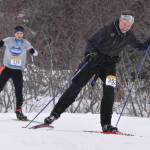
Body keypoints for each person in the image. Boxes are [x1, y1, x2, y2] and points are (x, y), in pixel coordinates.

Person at [44, 10, 150, 132]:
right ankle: (54, 114)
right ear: (120, 20)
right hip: (93, 61)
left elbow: (141, 47)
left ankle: (106, 124)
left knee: (109, 93)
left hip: (109, 65)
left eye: (129, 25)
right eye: (124, 24)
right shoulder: (107, 29)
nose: (126, 27)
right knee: (75, 87)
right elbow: (91, 42)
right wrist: (89, 53)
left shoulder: (129, 35)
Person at [0, 26, 38, 120]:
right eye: (17, 33)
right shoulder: (9, 40)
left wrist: (32, 51)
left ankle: (18, 111)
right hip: (7, 68)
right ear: (14, 34)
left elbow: (35, 53)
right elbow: (2, 42)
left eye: (21, 33)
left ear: (23, 34)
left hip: (17, 70)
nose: (19, 35)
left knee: (19, 91)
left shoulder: (25, 43)